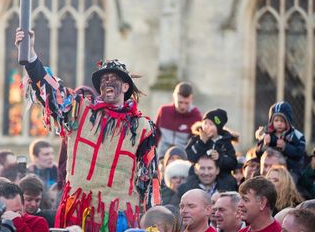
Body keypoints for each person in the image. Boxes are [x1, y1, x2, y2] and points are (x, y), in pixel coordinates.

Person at [15, 29, 160, 230]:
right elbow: (51, 88)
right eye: (103, 79)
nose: (107, 82)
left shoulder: (143, 127)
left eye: (113, 78)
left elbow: (149, 178)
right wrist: (30, 55)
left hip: (118, 218)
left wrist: (153, 220)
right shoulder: (80, 110)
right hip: (78, 214)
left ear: (126, 87)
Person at [185, 108, 238, 188]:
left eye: (211, 124)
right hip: (199, 174)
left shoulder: (225, 142)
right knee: (188, 184)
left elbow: (233, 163)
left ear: (218, 128)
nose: (207, 127)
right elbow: (189, 156)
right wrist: (201, 143)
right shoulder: (196, 139)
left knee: (230, 183)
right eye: (205, 123)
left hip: (221, 176)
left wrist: (220, 158)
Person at [256, 101, 305, 180]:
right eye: (276, 120)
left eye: (282, 121)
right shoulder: (266, 134)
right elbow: (258, 153)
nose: (279, 123)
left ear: (288, 121)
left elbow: (299, 153)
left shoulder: (296, 136)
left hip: (290, 170)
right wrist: (265, 145)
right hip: (268, 169)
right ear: (271, 121)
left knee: (290, 182)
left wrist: (285, 147)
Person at [154, 82, 202, 159]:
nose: (183, 106)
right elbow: (155, 135)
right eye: (180, 102)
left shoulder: (196, 115)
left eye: (187, 103)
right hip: (163, 156)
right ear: (174, 97)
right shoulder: (164, 111)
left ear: (191, 99)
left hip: (183, 157)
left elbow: (197, 141)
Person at [169, 155, 236, 207]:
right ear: (195, 170)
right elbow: (175, 212)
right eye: (202, 168)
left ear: (217, 170)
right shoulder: (184, 190)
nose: (206, 173)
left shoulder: (229, 189)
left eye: (210, 168)